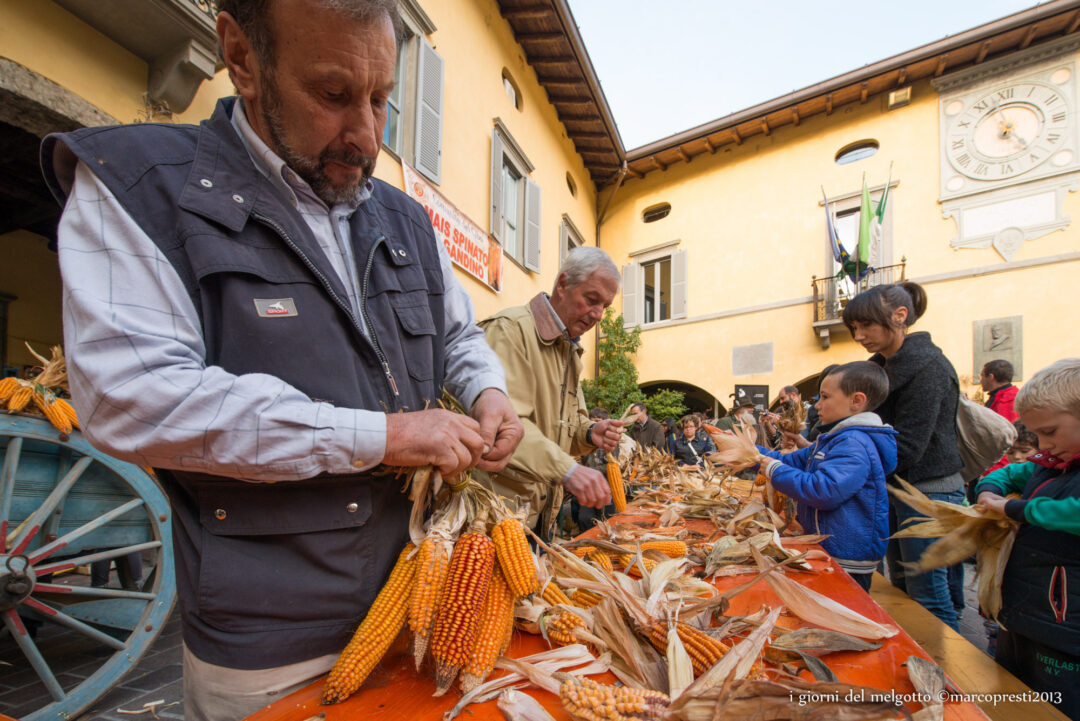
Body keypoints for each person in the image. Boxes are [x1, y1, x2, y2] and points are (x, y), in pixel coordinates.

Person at [41, 1, 524, 717]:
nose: (365, 133)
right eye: (333, 95)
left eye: (382, 99)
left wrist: (488, 391)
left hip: (419, 614)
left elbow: (458, 337)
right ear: (241, 55)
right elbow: (132, 397)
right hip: (273, 649)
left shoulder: (405, 219)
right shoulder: (140, 185)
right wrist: (384, 436)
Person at [475, 246, 623, 540]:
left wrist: (589, 434)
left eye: (604, 307)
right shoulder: (510, 331)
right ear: (563, 284)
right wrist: (569, 470)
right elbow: (503, 426)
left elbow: (563, 429)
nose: (597, 315)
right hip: (493, 519)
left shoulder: (569, 348)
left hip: (536, 518)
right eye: (591, 300)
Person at [842, 281, 966, 630]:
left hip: (929, 490)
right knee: (902, 586)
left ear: (900, 316)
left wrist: (848, 464)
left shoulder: (930, 368)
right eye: (854, 328)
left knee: (928, 593)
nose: (859, 335)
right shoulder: (879, 367)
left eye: (866, 325)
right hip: (896, 484)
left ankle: (948, 679)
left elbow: (910, 445)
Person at [973, 358, 1080, 721]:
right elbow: (1011, 473)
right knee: (1011, 699)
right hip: (1022, 617)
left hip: (1065, 636)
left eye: (1050, 432)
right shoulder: (1050, 460)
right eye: (1037, 436)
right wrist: (989, 490)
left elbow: (1072, 512)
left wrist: (1017, 509)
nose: (1043, 445)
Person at [756, 362, 897, 591]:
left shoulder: (853, 443)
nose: (817, 405)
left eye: (824, 397)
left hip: (844, 557)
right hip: (830, 549)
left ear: (856, 401)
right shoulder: (836, 439)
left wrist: (773, 469)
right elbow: (792, 461)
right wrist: (749, 452)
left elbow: (824, 490)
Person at [575, 408, 635, 531]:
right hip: (588, 487)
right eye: (591, 422)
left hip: (606, 486)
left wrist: (589, 471)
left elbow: (612, 463)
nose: (594, 425)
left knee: (608, 518)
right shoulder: (586, 441)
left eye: (597, 421)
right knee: (584, 518)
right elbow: (582, 459)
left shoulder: (612, 441)